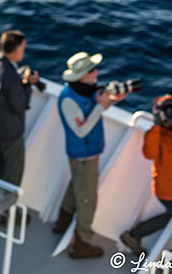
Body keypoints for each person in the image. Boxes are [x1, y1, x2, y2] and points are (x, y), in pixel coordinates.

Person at [52, 51, 126, 259]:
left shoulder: (85, 90)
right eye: (92, 70)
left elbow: (96, 107)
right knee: (88, 200)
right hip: (84, 155)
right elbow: (81, 130)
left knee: (76, 185)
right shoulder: (69, 100)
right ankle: (81, 244)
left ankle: (62, 223)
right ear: (83, 75)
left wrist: (111, 101)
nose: (96, 72)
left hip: (84, 154)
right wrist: (102, 106)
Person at [120, 95, 172, 257]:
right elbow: (149, 153)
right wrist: (156, 127)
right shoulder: (156, 134)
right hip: (168, 191)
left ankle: (133, 235)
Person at [0, 30, 40, 186]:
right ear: (15, 50)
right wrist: (27, 85)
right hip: (10, 133)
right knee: (12, 174)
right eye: (22, 48)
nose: (23, 51)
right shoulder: (12, 77)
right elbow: (19, 105)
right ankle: (4, 209)